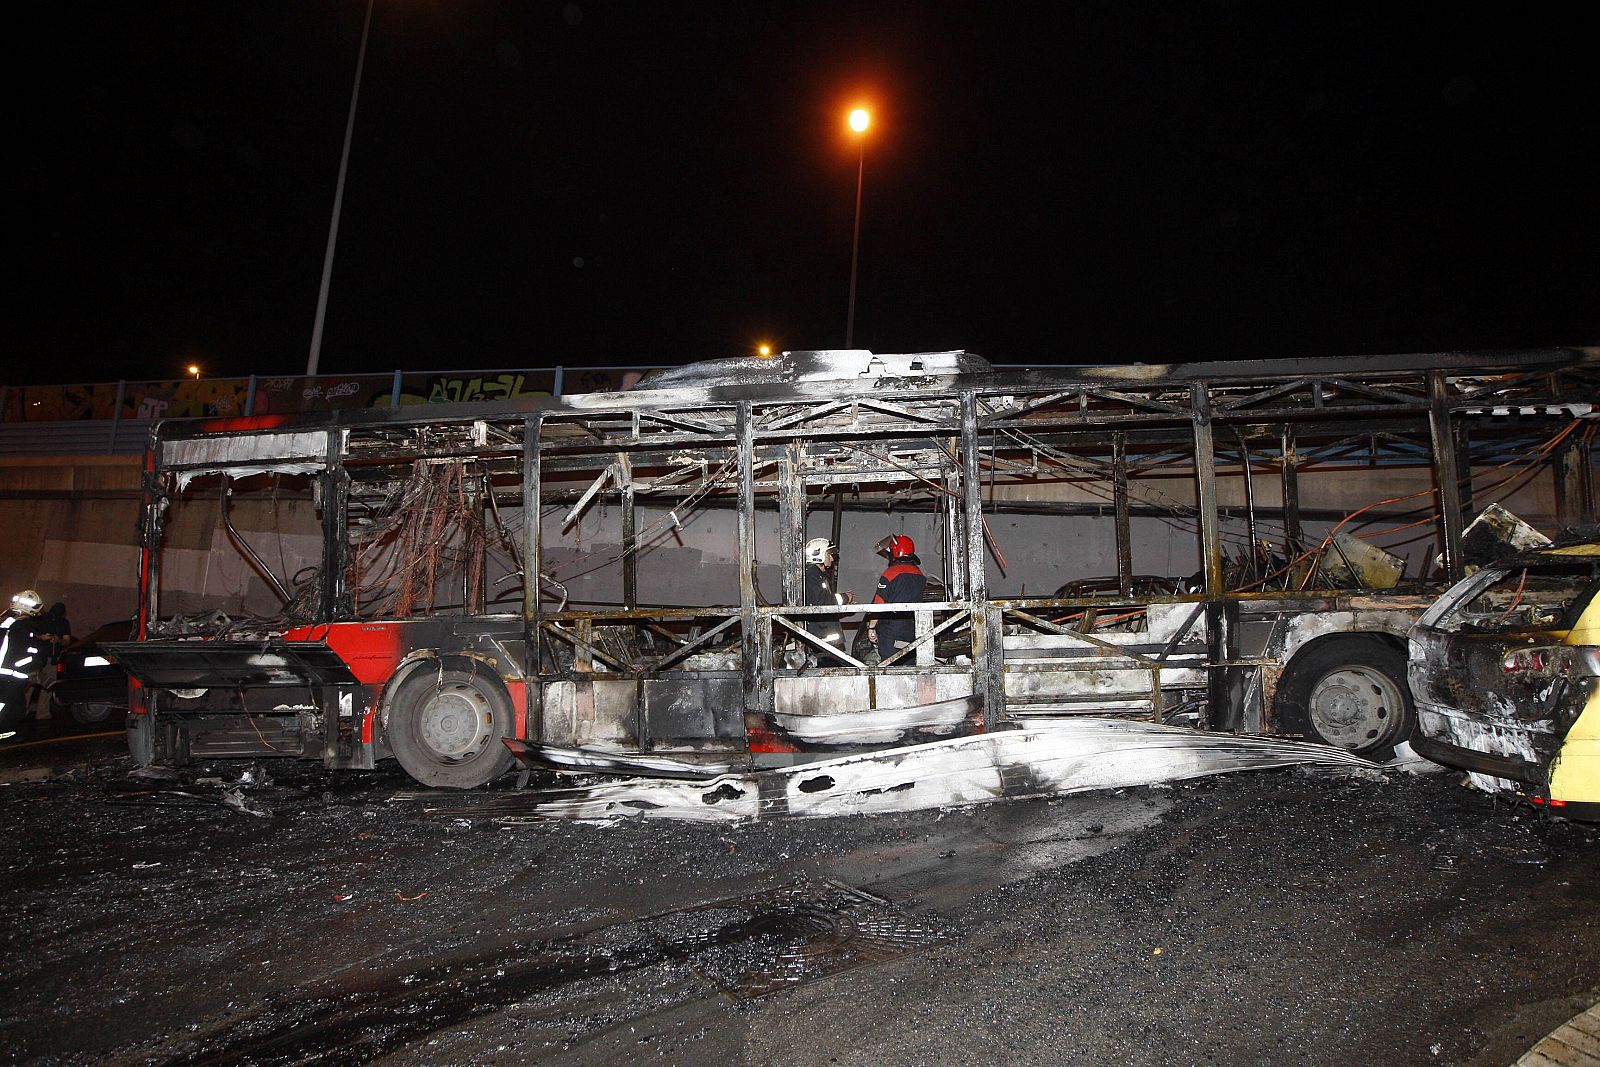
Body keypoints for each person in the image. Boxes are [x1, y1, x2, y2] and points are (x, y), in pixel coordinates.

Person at [868, 534, 926, 662]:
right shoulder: (919, 574)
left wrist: (871, 627)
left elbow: (878, 603)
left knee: (889, 669)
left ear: (896, 552)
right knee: (909, 667)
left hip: (892, 631)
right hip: (913, 629)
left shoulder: (891, 573)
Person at [0, 590, 46, 733]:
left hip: (5, 674)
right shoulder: (26, 627)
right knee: (15, 708)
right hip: (12, 675)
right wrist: (33, 668)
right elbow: (27, 652)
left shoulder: (7, 623)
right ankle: (4, 733)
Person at [801, 537, 854, 661]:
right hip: (822, 639)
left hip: (826, 638)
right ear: (818, 555)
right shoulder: (812, 575)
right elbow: (822, 601)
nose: (831, 558)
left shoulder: (818, 575)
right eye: (829, 555)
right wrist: (846, 597)